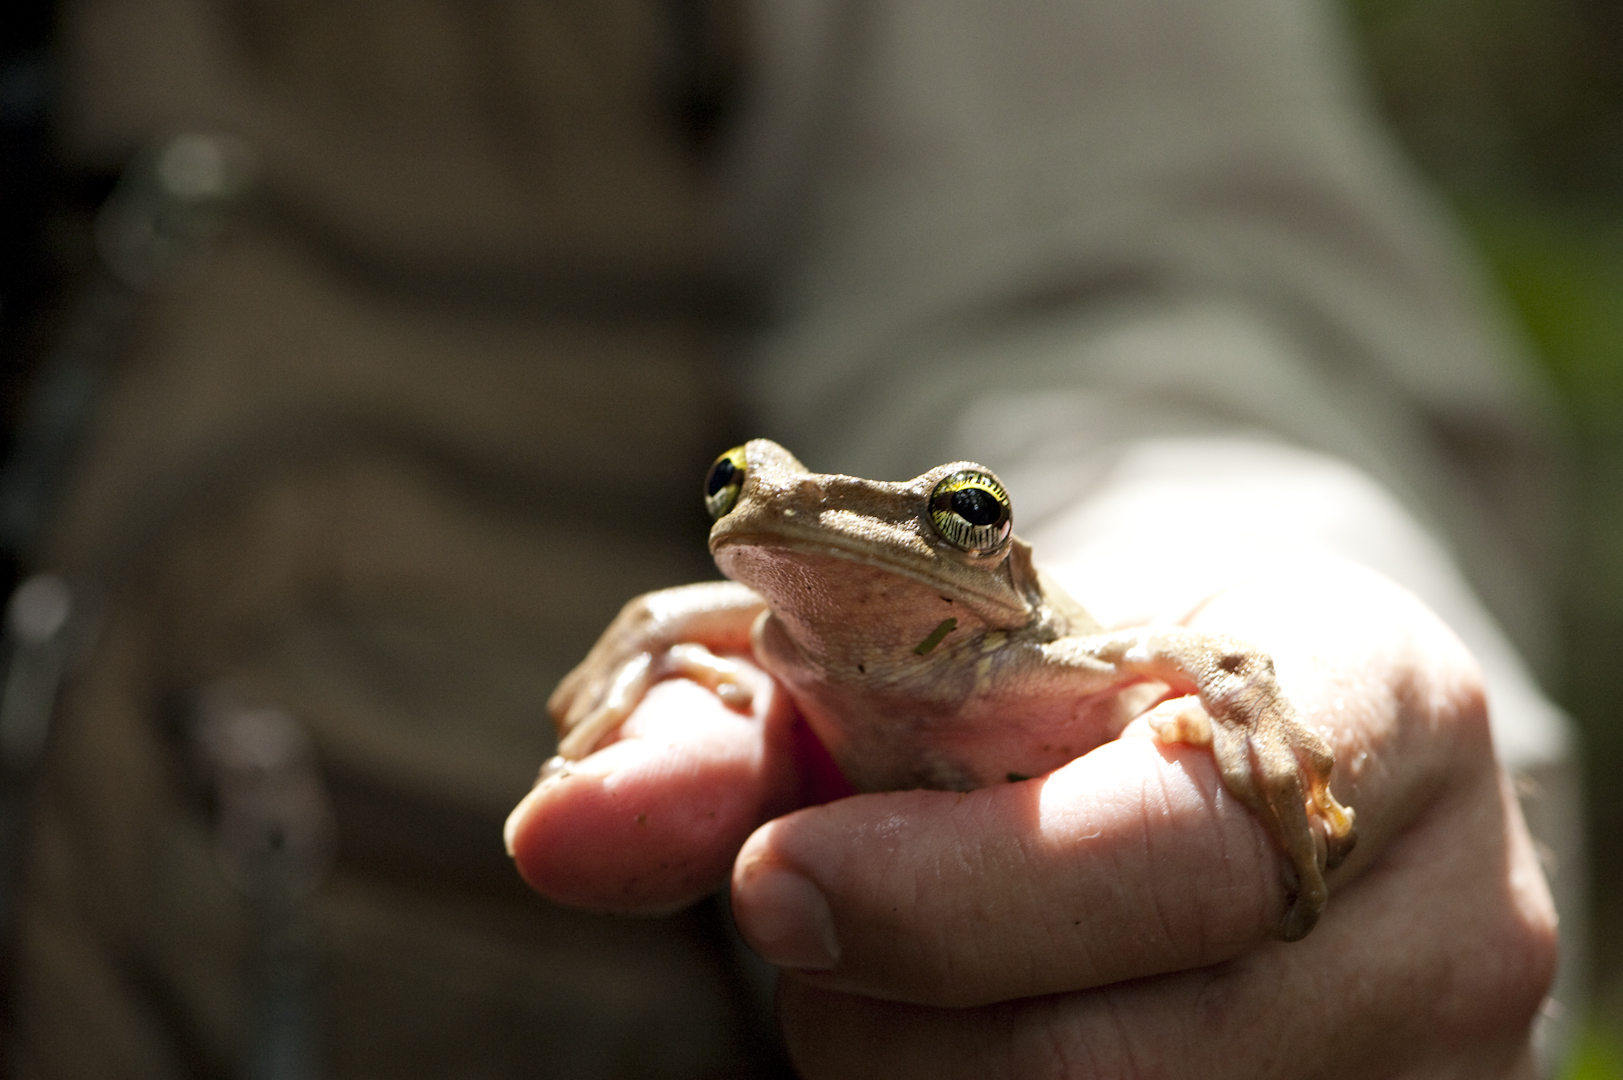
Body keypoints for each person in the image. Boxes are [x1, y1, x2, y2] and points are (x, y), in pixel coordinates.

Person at [9, 0, 1577, 1077]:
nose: (804, 523)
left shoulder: (1058, 650)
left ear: (990, 553)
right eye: (740, 496)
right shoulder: (748, 624)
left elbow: (1201, 579)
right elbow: (656, 623)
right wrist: (609, 698)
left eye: (955, 518)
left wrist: (1312, 699)